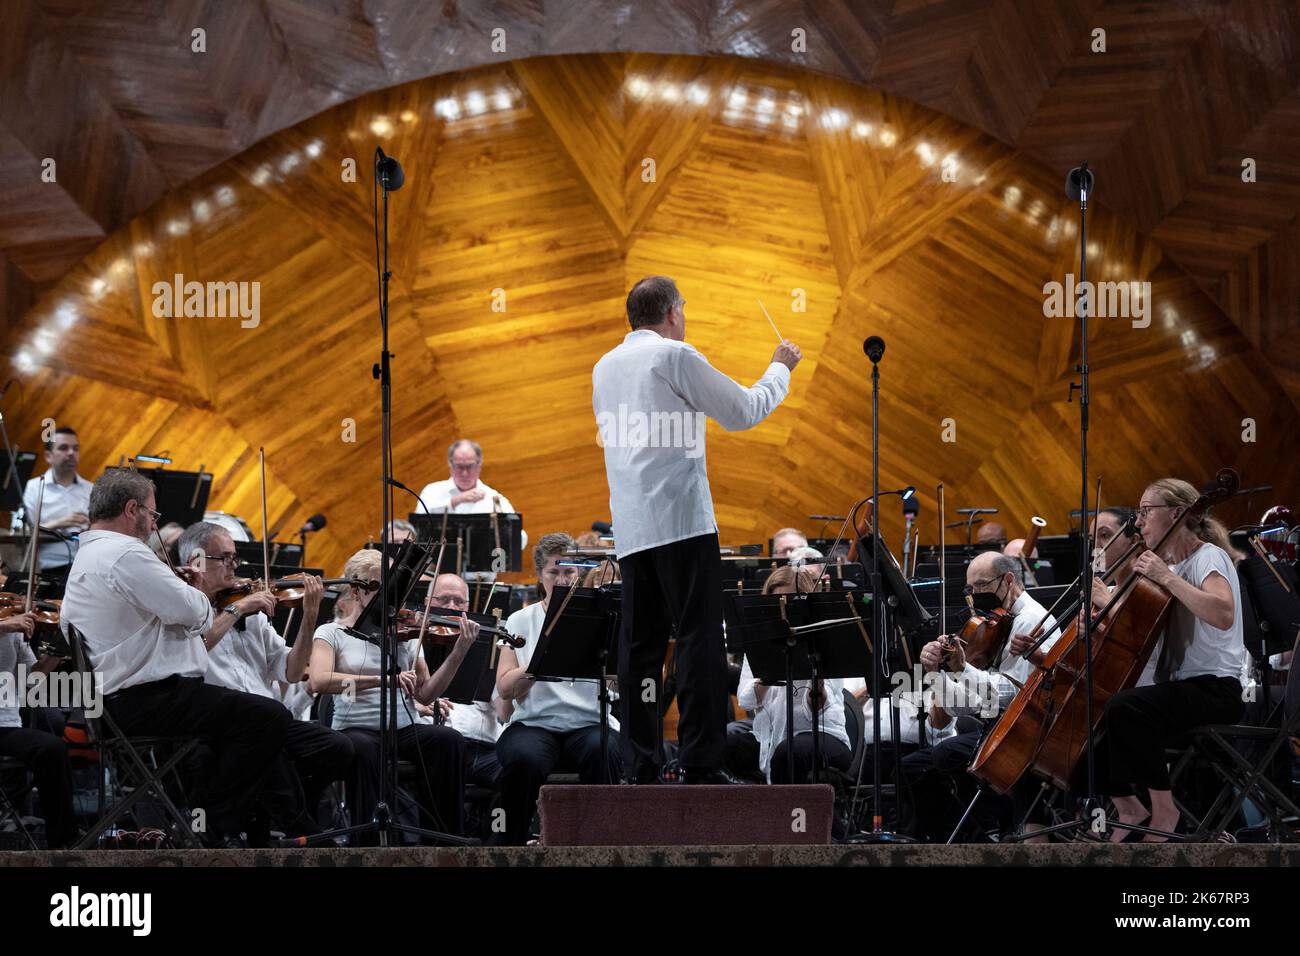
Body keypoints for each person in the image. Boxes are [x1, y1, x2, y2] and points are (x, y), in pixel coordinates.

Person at [593, 275, 801, 784]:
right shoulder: (675, 355)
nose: (683, 320)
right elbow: (744, 411)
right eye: (682, 311)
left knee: (639, 651)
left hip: (632, 530)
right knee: (698, 644)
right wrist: (781, 367)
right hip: (682, 524)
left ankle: (639, 765)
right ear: (671, 314)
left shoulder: (603, 366)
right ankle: (701, 763)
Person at [60, 469, 293, 847]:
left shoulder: (89, 555)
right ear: (132, 508)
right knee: (269, 718)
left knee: (238, 723)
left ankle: (201, 823)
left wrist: (172, 586)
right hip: (147, 700)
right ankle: (209, 827)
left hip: (113, 704)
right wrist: (194, 592)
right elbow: (197, 614)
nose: (154, 523)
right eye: (153, 515)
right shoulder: (125, 553)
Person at [178, 521, 353, 834]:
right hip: (219, 726)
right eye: (226, 558)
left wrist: (309, 616)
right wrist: (237, 609)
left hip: (268, 719)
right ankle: (297, 829)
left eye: (236, 559)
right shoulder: (183, 612)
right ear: (197, 563)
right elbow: (194, 650)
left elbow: (292, 670)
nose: (235, 567)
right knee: (265, 746)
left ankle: (280, 821)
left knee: (337, 747)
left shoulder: (254, 615)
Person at [1097, 478, 1246, 842]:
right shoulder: (1167, 567)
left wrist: (1165, 576)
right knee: (1093, 717)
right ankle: (1130, 808)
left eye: (1146, 511)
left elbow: (1222, 612)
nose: (1139, 521)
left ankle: (1165, 811)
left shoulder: (1207, 556)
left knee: (1127, 708)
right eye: (1138, 513)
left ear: (1177, 513)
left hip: (1217, 689)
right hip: (1178, 691)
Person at [308, 548, 472, 841]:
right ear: (357, 592)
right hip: (356, 728)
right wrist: (383, 680)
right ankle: (369, 844)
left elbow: (425, 694)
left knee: (448, 741)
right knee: (363, 750)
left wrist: (458, 653)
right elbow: (319, 681)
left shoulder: (404, 633)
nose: (391, 596)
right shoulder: (331, 632)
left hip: (402, 729)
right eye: (379, 588)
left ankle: (443, 840)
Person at [493, 533, 622, 844]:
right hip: (534, 724)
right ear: (540, 576)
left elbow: (617, 680)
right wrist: (539, 662)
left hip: (589, 722)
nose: (562, 579)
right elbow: (504, 687)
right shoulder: (520, 619)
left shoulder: (601, 618)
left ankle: (597, 845)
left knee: (604, 751)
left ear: (578, 573)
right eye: (554, 572)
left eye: (569, 571)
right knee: (525, 759)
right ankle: (507, 844)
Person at [734, 567, 851, 783]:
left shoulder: (823, 638)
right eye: (775, 601)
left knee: (788, 753)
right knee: (722, 746)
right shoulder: (759, 641)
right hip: (772, 735)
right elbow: (746, 700)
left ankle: (785, 814)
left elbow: (817, 710)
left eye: (788, 601)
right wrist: (768, 675)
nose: (782, 609)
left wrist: (817, 683)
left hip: (822, 734)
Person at [0, 611, 76, 847]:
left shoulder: (13, 632)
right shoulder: (8, 624)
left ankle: (61, 843)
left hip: (6, 725)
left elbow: (33, 676)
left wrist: (58, 650)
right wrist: (3, 626)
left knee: (52, 748)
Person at [416, 440, 527, 547]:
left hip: (484, 564)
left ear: (479, 466)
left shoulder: (495, 498)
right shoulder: (432, 491)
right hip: (437, 564)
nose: (465, 473)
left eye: (470, 466)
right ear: (450, 465)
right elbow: (418, 527)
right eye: (459, 466)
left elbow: (520, 539)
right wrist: (455, 501)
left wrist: (509, 531)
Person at [21, 426, 91, 579]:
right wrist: (58, 523)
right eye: (63, 448)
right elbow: (22, 534)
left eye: (75, 448)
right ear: (48, 456)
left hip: (87, 567)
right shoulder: (33, 488)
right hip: (47, 570)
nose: (71, 453)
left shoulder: (90, 489)